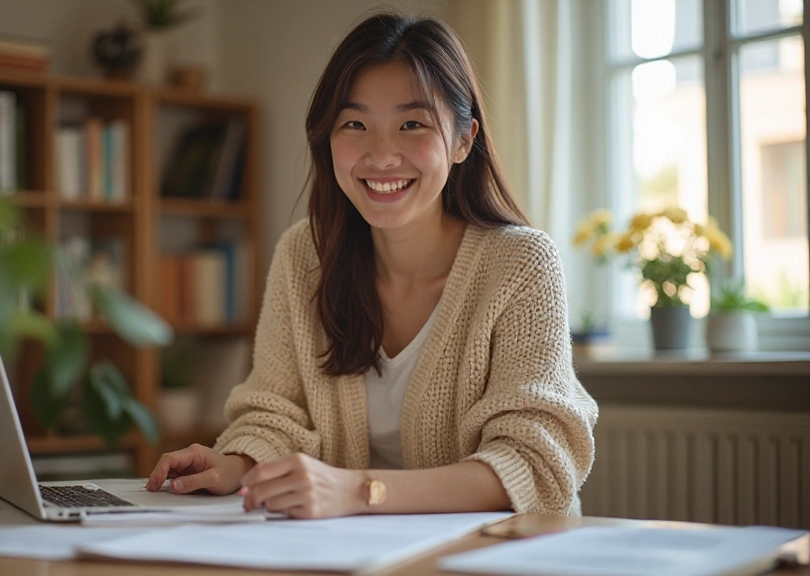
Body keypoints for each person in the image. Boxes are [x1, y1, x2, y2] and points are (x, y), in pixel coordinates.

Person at [146, 12, 598, 519]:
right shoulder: (304, 257)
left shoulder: (521, 263)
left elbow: (533, 463)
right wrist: (234, 464)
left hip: (495, 556)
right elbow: (273, 412)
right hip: (349, 556)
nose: (381, 156)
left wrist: (359, 492)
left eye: (412, 124)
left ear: (463, 141)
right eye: (355, 124)